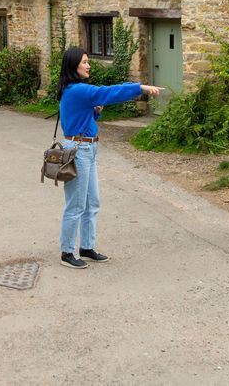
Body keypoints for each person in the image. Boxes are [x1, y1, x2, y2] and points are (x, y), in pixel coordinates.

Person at [55, 46, 161, 269]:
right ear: (73, 65)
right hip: (78, 150)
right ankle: (67, 252)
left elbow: (83, 117)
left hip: (89, 149)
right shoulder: (77, 90)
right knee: (75, 205)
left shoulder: (76, 90)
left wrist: (95, 111)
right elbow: (108, 91)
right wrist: (140, 87)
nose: (88, 65)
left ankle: (86, 247)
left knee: (91, 203)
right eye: (84, 61)